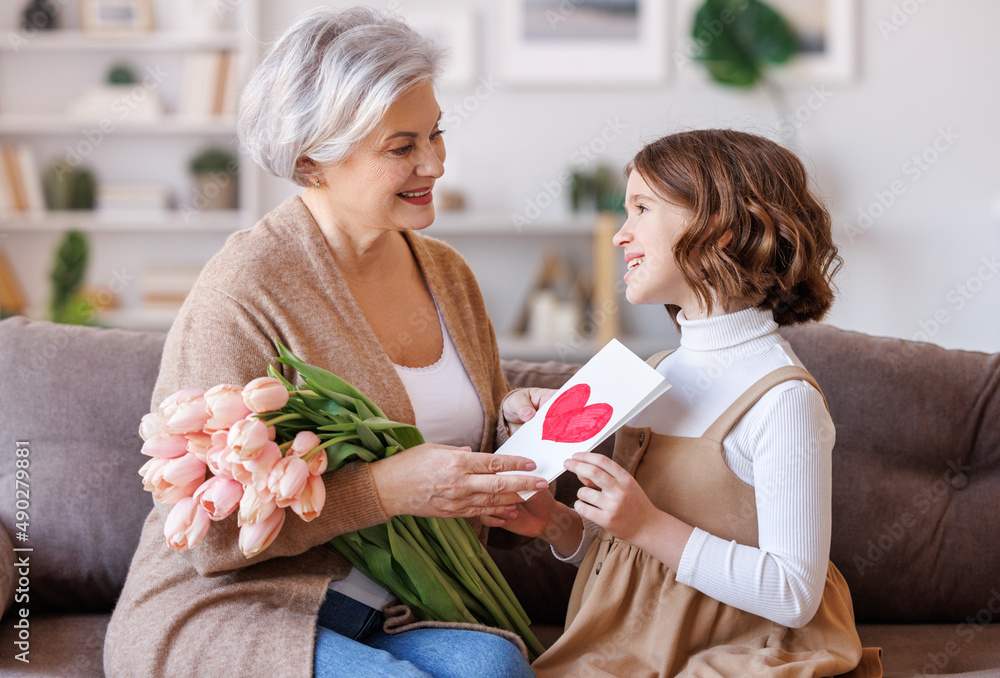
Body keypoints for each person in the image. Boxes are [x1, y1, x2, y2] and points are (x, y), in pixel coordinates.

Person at [103, 7, 542, 678]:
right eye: (402, 147)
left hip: (392, 606)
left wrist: (511, 417)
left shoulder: (449, 274)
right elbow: (204, 534)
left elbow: (450, 429)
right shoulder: (244, 288)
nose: (435, 163)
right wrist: (382, 491)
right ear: (312, 161)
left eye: (436, 133)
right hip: (237, 602)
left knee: (496, 668)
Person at [493, 129, 883, 676]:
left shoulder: (782, 399)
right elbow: (637, 565)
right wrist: (558, 525)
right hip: (633, 644)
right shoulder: (651, 375)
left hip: (741, 652)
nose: (619, 236)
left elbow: (793, 593)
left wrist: (646, 525)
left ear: (718, 230)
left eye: (641, 208)